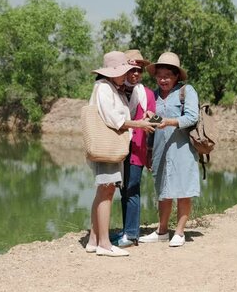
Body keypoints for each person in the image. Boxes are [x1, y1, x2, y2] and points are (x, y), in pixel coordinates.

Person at [85, 51, 155, 257]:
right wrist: (139, 123)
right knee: (106, 191)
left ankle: (94, 239)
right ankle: (104, 244)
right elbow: (114, 119)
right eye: (125, 70)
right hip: (107, 147)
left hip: (113, 148)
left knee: (104, 191)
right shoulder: (105, 88)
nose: (127, 75)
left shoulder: (112, 88)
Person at [139, 52, 200, 247]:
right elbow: (158, 124)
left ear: (176, 76)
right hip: (160, 149)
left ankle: (180, 232)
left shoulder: (186, 91)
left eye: (167, 75)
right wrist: (152, 117)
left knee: (183, 189)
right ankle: (162, 230)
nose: (163, 79)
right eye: (159, 75)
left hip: (182, 148)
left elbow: (191, 117)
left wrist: (170, 121)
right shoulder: (153, 95)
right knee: (163, 190)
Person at [114, 49, 156, 248]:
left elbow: (154, 123)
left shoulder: (146, 94)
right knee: (122, 189)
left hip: (137, 148)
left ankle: (131, 234)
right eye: (132, 69)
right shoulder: (115, 90)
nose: (136, 73)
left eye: (139, 70)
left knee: (132, 189)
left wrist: (150, 115)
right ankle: (125, 231)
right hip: (117, 147)